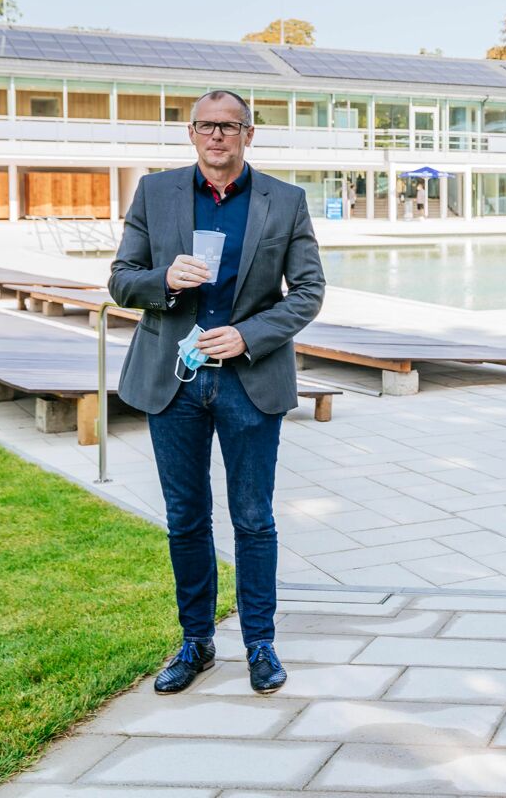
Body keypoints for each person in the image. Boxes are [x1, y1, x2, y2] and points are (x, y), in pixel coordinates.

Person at [110, 89, 325, 696]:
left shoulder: (285, 200)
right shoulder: (155, 192)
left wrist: (248, 335)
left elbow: (308, 291)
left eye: (230, 126)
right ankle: (196, 642)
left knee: (253, 518)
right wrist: (164, 279)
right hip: (172, 379)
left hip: (248, 380)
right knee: (185, 518)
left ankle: (260, 644)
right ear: (191, 133)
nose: (217, 136)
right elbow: (122, 281)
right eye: (207, 126)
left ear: (249, 134)